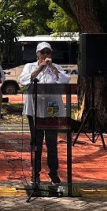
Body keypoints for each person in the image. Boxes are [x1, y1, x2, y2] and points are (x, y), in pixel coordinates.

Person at [19, 41, 70, 183]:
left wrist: (52, 68)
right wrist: (40, 69)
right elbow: (23, 81)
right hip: (34, 109)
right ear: (37, 54)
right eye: (43, 52)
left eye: (48, 52)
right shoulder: (30, 67)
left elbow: (66, 79)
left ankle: (53, 172)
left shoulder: (56, 67)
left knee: (52, 142)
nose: (46, 55)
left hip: (51, 110)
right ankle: (35, 173)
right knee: (36, 142)